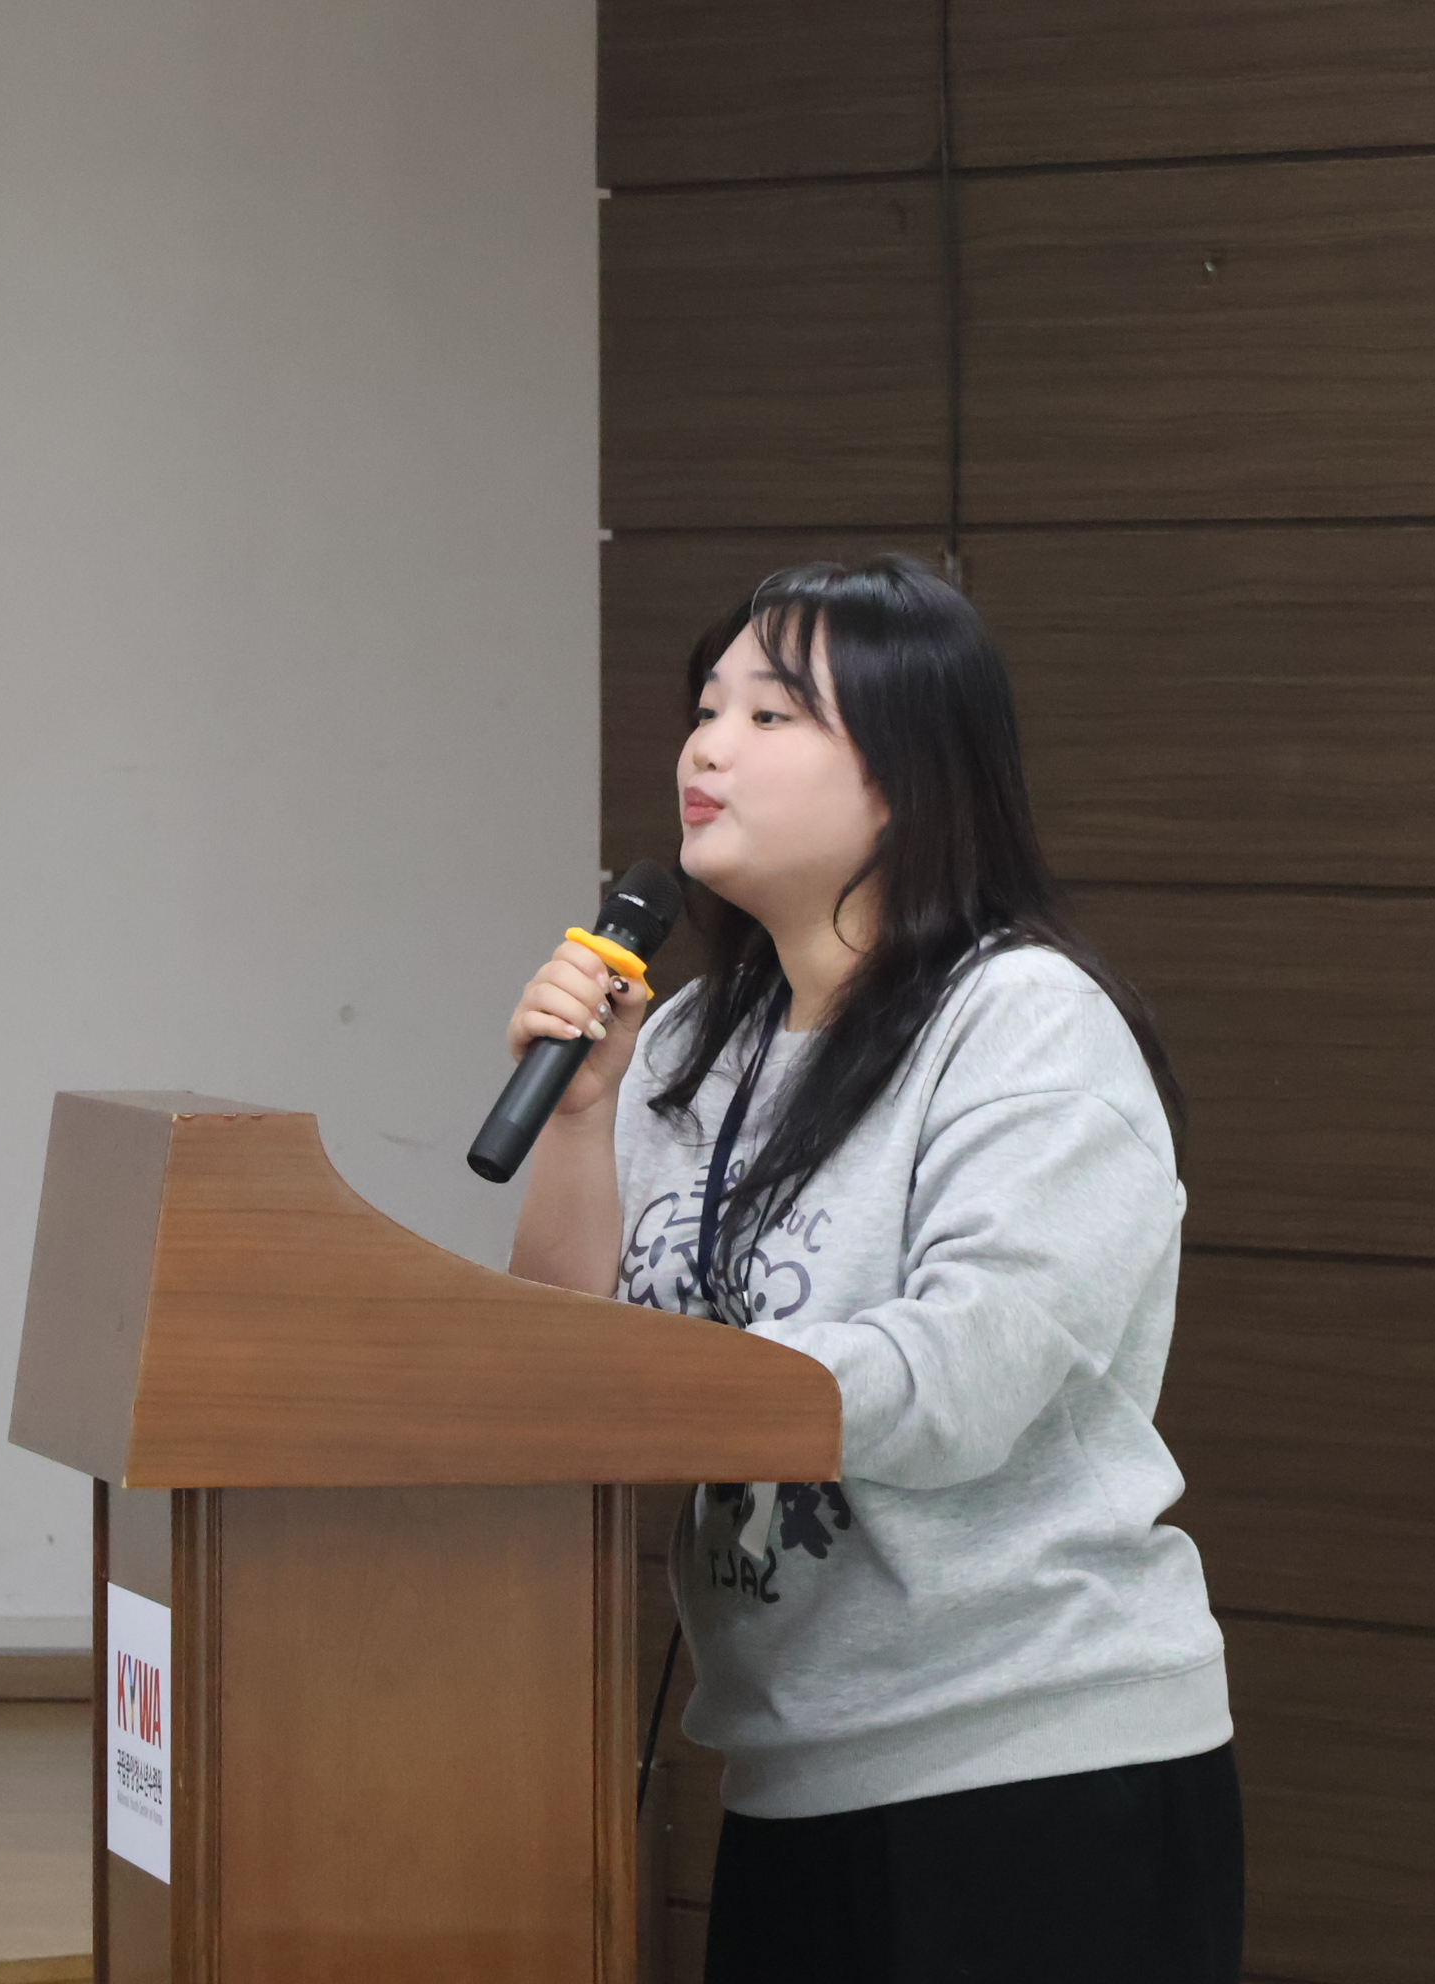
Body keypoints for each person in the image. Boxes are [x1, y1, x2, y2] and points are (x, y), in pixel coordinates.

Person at [506, 554, 1242, 1982]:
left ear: (908, 775)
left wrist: (665, 1391)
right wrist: (582, 1119)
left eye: (771, 716)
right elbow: (567, 1366)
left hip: (1032, 1768)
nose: (707, 748)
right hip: (790, 1768)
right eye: (705, 709)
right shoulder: (689, 1040)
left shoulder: (1023, 1022)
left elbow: (960, 1380)